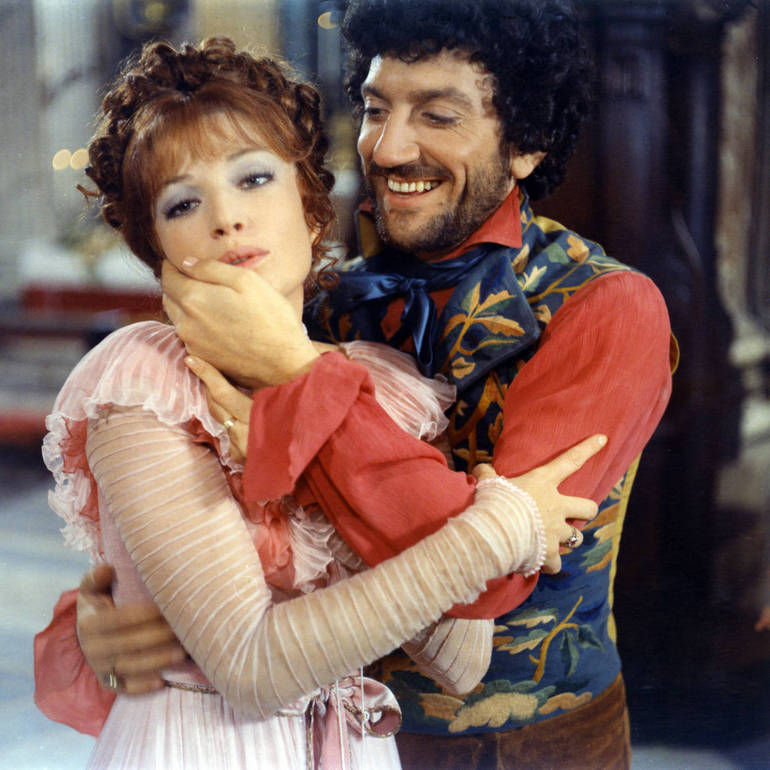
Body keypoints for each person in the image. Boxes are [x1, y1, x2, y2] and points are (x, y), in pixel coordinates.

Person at [37, 1, 676, 767]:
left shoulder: (604, 306)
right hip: (329, 732)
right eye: (376, 110)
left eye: (437, 115)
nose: (390, 148)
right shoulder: (323, 302)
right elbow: (215, 546)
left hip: (521, 745)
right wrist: (105, 619)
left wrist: (298, 375)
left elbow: (489, 588)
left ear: (526, 144)